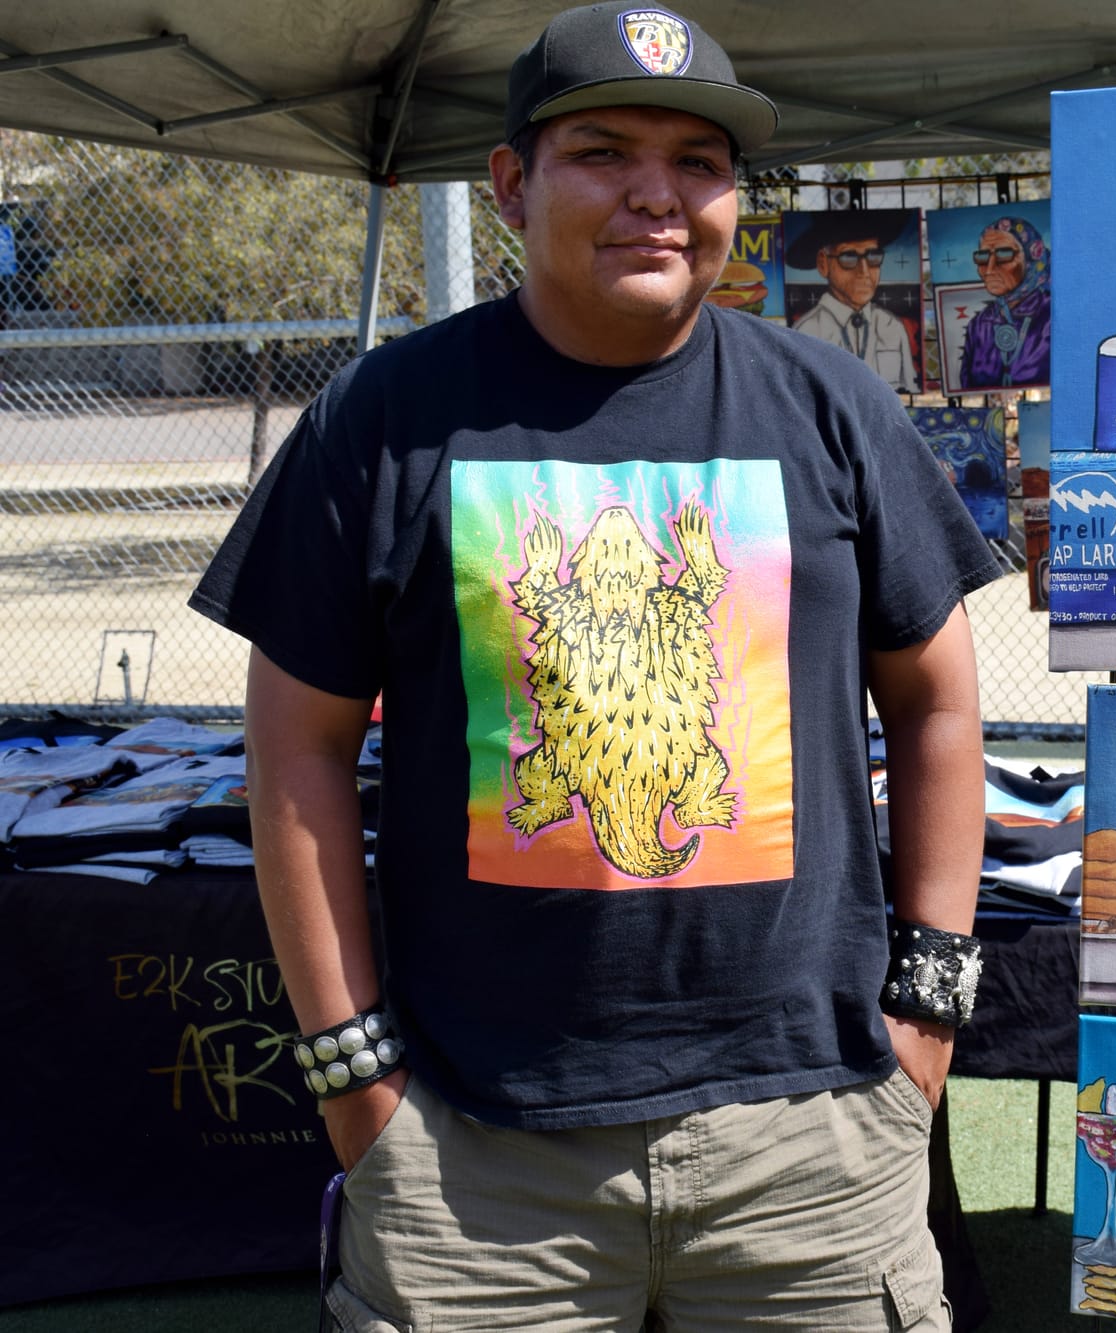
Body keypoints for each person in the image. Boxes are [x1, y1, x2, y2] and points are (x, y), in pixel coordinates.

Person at [188, 5, 1000, 1329]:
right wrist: (356, 1083)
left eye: (698, 160)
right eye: (604, 151)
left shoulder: (831, 408)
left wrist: (926, 1021)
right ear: (510, 184)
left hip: (813, 1136)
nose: (657, 195)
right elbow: (297, 751)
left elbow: (940, 704)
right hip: (478, 1155)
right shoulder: (384, 420)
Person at [787, 210, 921, 391]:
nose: (864, 271)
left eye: (873, 256)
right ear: (823, 264)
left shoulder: (891, 326)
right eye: (849, 257)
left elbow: (908, 388)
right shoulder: (807, 331)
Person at [957, 215, 1051, 391]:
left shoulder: (1052, 317)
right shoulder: (979, 325)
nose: (990, 269)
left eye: (1004, 255)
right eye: (982, 257)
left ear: (1031, 258)